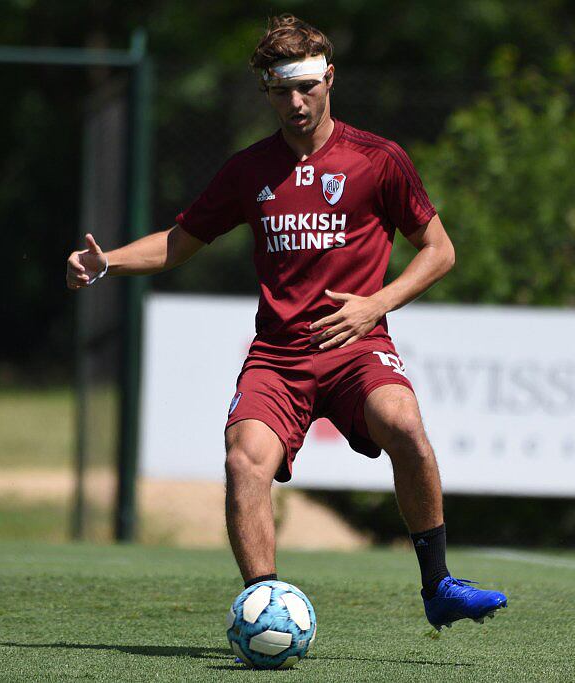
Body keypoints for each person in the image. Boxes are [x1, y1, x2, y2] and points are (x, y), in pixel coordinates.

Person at [66, 14, 506, 630]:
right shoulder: (248, 170)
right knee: (244, 458)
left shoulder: (379, 160)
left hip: (357, 345)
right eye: (280, 91)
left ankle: (439, 585)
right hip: (278, 355)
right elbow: (178, 242)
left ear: (329, 78)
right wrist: (106, 261)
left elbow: (440, 250)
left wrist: (376, 303)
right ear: (266, 91)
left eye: (306, 87)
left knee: (404, 425)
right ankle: (266, 608)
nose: (295, 103)